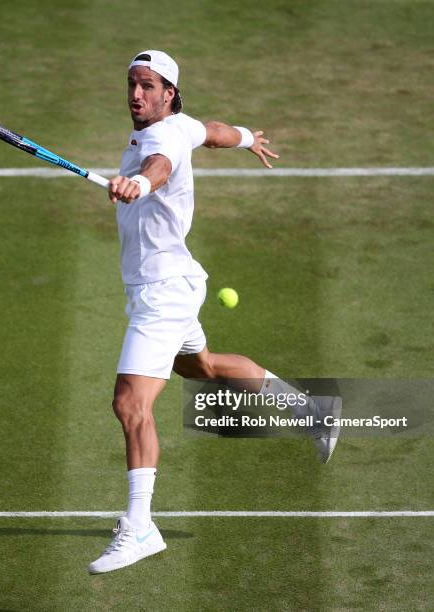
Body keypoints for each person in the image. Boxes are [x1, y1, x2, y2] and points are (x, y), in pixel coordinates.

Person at [88, 50, 340, 575]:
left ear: (169, 94)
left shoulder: (161, 140)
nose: (136, 95)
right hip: (165, 284)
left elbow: (160, 167)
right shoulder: (180, 125)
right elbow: (215, 131)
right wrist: (248, 138)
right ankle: (312, 411)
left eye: (148, 86)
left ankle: (140, 527)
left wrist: (139, 183)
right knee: (201, 367)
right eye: (132, 85)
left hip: (163, 291)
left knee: (130, 404)